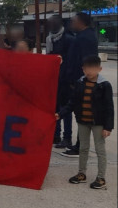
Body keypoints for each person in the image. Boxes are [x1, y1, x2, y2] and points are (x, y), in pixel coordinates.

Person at [58, 55, 114, 189]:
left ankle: (101, 178)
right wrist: (60, 114)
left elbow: (109, 107)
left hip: (98, 123)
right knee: (83, 148)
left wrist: (108, 127)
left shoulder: (104, 85)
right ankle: (81, 173)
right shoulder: (80, 83)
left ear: (99, 69)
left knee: (100, 150)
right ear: (83, 69)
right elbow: (72, 102)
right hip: (83, 121)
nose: (89, 71)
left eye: (92, 68)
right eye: (86, 68)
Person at [61, 12, 99, 157]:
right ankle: (79, 145)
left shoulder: (85, 38)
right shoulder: (84, 36)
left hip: (80, 81)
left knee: (81, 114)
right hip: (78, 80)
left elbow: (86, 61)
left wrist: (79, 81)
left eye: (73, 21)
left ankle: (80, 146)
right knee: (79, 113)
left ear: (81, 22)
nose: (71, 23)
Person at [46, 15, 75, 146]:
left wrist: (70, 80)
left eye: (53, 23)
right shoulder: (49, 39)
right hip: (53, 79)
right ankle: (55, 134)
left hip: (65, 80)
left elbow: (71, 61)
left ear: (59, 23)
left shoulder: (69, 39)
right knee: (54, 108)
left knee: (65, 109)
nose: (50, 26)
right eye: (49, 24)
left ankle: (67, 137)